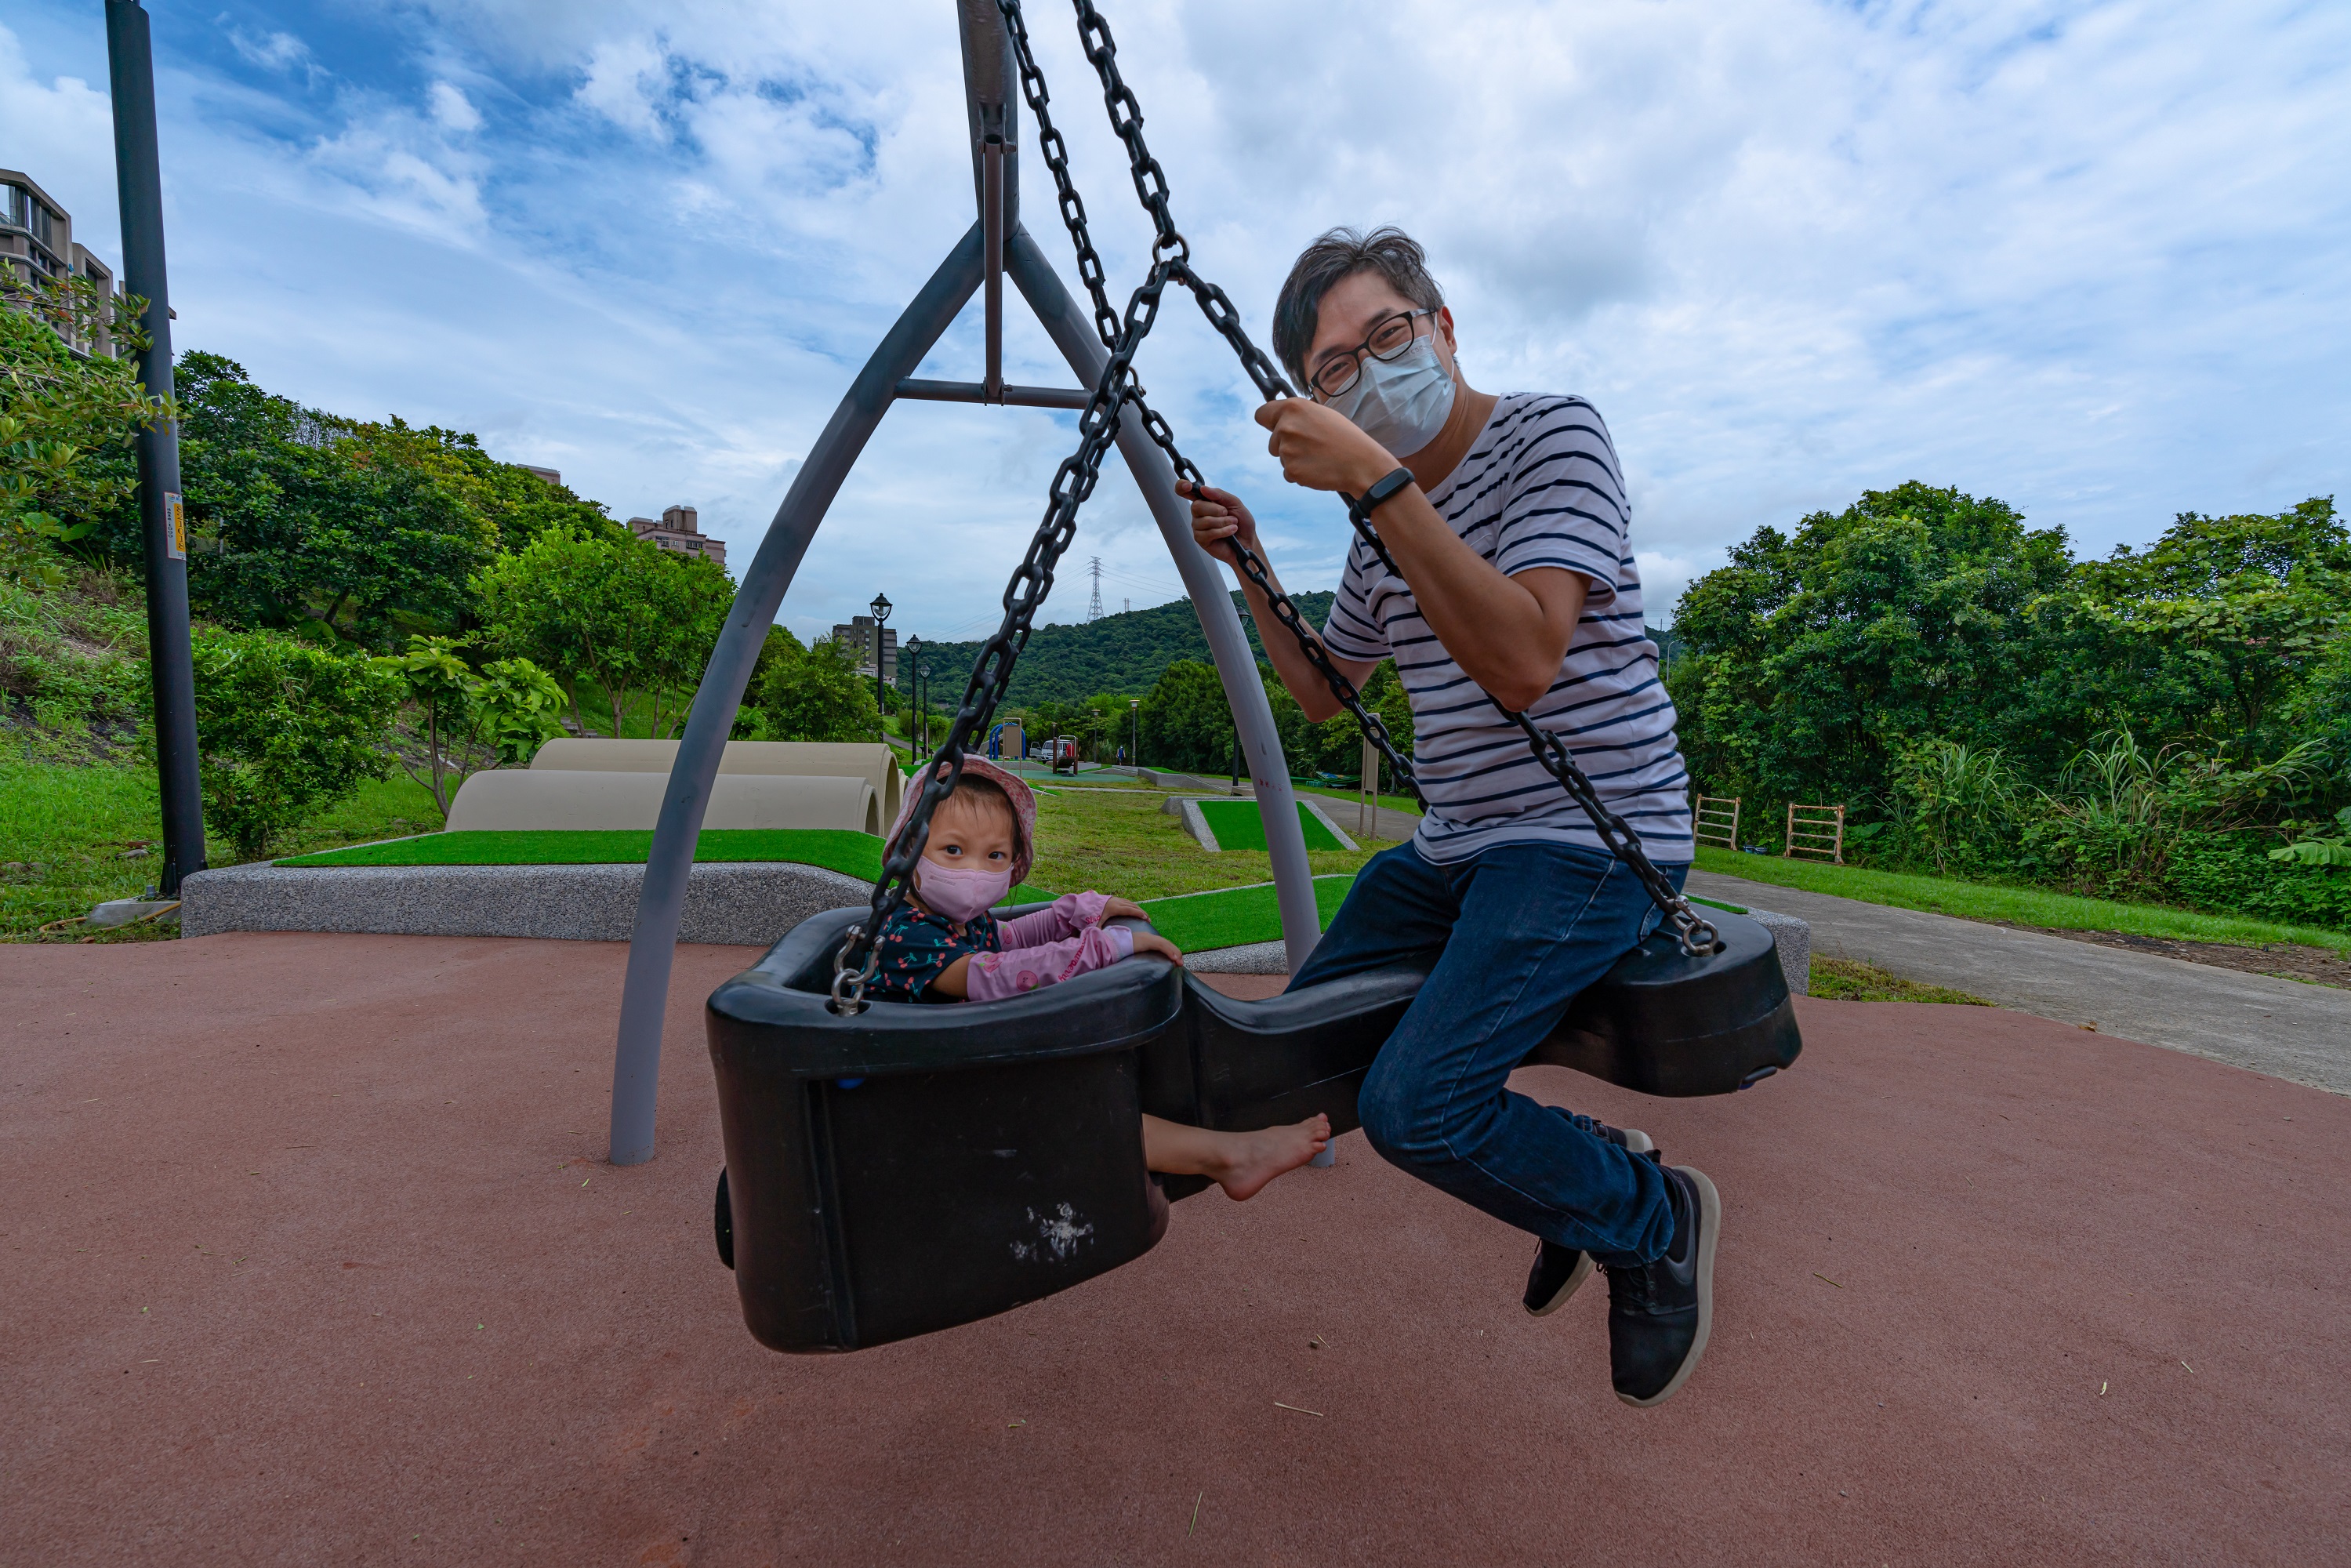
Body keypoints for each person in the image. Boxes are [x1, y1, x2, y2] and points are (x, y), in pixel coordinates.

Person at [1181, 227, 1714, 1409]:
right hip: (1459, 843)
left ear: (1442, 327)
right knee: (1295, 1048)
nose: (1367, 372)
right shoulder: (1380, 524)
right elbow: (1327, 693)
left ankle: (1648, 1220)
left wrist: (1377, 479)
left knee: (1415, 1107)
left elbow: (1523, 657)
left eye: (1384, 335)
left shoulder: (1550, 435)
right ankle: (1581, 1173)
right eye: (1332, 370)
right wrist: (1252, 561)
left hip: (1591, 835)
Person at [868, 756, 1331, 1201]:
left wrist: (1077, 912)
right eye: (953, 850)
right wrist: (1104, 947)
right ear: (909, 850)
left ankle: (1223, 1142)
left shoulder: (964, 920)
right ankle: (1231, 1157)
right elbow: (990, 975)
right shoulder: (907, 933)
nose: (974, 870)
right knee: (1073, 1106)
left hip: (962, 1066)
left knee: (1085, 1079)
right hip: (922, 1096)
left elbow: (1010, 938)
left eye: (995, 855)